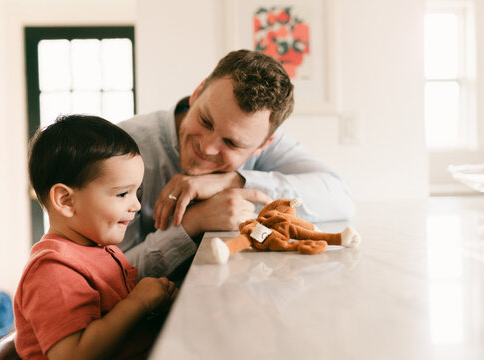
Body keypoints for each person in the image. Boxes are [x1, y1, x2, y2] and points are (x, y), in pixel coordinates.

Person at [118, 49, 355, 281]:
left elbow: (339, 196)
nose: (208, 148)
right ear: (197, 93)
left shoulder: (261, 138)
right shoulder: (125, 145)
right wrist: (191, 223)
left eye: (231, 143)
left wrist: (232, 180)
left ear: (263, 145)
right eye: (205, 120)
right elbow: (107, 277)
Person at [14, 115, 178, 360]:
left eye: (137, 191)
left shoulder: (101, 249)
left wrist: (155, 306)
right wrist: (139, 302)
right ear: (66, 201)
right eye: (123, 194)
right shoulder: (53, 269)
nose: (135, 205)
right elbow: (73, 355)